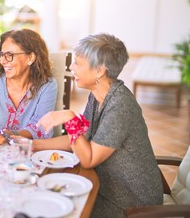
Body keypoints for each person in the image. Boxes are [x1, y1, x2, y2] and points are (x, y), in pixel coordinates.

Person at [35, 33, 163, 217]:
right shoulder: (97, 96)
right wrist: (32, 145)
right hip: (106, 187)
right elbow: (80, 138)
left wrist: (69, 118)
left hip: (131, 204)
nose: (71, 67)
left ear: (99, 70)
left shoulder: (121, 106)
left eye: (77, 63)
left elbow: (88, 159)